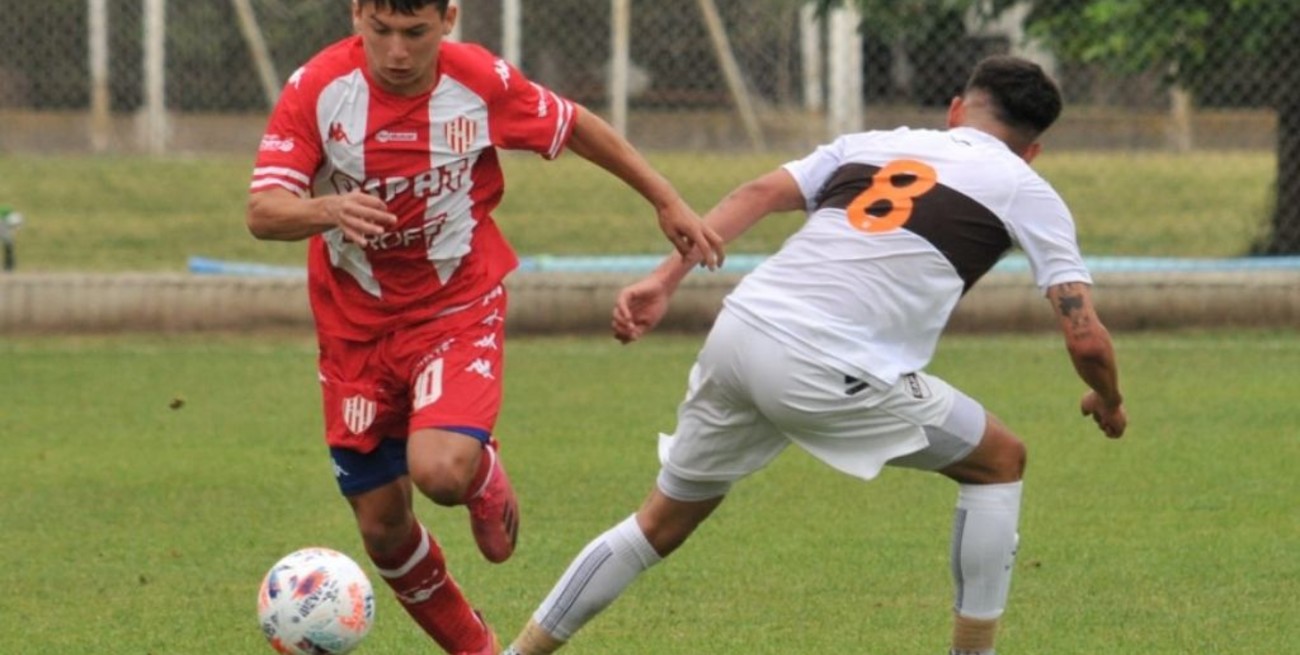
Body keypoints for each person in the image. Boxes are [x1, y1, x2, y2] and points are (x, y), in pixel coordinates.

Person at [502, 55, 1127, 655]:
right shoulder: (1027, 186)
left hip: (741, 330)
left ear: (957, 109)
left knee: (656, 524)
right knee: (999, 461)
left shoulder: (871, 143)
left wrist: (665, 279)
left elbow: (756, 192)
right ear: (1034, 149)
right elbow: (1085, 336)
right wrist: (1110, 398)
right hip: (827, 362)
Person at [245, 2, 723, 653]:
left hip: (455, 306)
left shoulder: (479, 82)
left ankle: (479, 470)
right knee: (384, 526)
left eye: (415, 33)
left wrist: (665, 197)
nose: (396, 52)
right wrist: (327, 207)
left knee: (439, 470)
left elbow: (573, 125)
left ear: (449, 18)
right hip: (353, 329)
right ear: (356, 13)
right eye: (379, 31)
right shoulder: (319, 89)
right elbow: (263, 209)